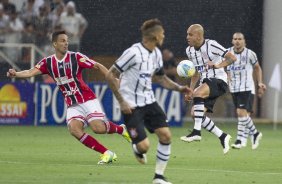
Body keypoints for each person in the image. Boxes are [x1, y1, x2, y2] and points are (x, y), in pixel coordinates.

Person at [6, 30, 131, 164]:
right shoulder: (48, 62)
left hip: (87, 99)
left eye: (67, 41)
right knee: (74, 130)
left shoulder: (76, 57)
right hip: (72, 104)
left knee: (97, 128)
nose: (66, 43)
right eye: (62, 41)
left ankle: (121, 129)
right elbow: (30, 72)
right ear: (54, 44)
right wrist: (16, 74)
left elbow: (97, 65)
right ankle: (107, 153)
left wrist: (113, 79)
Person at [105, 19, 191, 184]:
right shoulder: (133, 52)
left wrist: (180, 88)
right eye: (163, 33)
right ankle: (137, 147)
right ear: (156, 35)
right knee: (144, 146)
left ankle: (158, 177)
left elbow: (161, 78)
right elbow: (110, 74)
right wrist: (121, 101)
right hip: (131, 104)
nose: (164, 36)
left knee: (166, 135)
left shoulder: (157, 54)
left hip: (149, 101)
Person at [180, 24, 237, 154]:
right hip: (206, 83)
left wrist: (218, 65)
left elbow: (232, 58)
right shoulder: (189, 51)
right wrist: (190, 89)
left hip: (219, 81)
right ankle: (222, 136)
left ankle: (196, 132)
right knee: (196, 114)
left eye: (190, 34)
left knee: (198, 93)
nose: (187, 37)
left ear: (199, 35)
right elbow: (195, 73)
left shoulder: (211, 44)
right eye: (187, 34)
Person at [227, 32, 266, 149]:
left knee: (241, 112)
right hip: (234, 88)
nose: (237, 41)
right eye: (235, 39)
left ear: (244, 41)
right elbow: (226, 67)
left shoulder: (250, 54)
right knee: (243, 116)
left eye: (240, 39)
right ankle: (246, 139)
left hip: (247, 87)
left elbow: (257, 68)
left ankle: (245, 138)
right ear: (232, 41)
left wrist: (259, 83)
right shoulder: (227, 53)